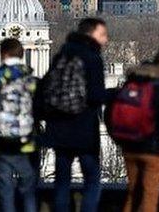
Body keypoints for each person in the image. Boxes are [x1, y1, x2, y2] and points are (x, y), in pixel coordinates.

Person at [38, 17, 109, 212]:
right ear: (90, 34)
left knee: (61, 182)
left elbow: (45, 89)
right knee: (93, 180)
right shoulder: (93, 58)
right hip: (84, 129)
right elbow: (95, 96)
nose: (105, 39)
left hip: (59, 129)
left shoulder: (62, 55)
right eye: (102, 34)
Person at [106, 47, 159, 212]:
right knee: (149, 196)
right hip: (152, 148)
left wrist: (118, 138)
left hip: (128, 145)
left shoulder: (131, 82)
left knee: (133, 193)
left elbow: (112, 111)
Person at [0, 38, 39, 212]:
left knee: (5, 189)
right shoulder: (31, 79)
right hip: (27, 141)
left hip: (1, 141)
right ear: (22, 54)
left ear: (3, 54)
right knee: (29, 191)